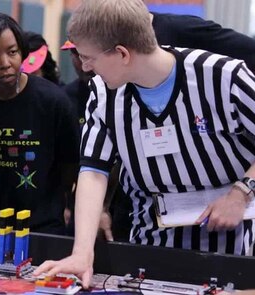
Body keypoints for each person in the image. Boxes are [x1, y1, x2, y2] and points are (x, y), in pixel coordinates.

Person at [35, 0, 255, 287]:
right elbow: (92, 170)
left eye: (89, 57)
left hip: (230, 244)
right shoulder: (103, 95)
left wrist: (240, 193)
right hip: (150, 244)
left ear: (122, 53)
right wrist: (81, 252)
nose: (85, 66)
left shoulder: (224, 77)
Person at [0, 12, 79, 234]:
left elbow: (70, 165)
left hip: (42, 226)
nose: (5, 63)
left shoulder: (54, 101)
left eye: (12, 52)